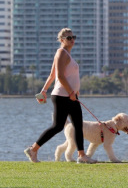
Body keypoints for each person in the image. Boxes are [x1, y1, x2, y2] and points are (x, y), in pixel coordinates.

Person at [24, 28, 96, 164]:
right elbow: (60, 76)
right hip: (64, 96)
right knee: (57, 126)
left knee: (77, 125)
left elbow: (52, 75)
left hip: (70, 95)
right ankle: (33, 149)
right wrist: (70, 92)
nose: (72, 40)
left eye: (73, 37)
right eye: (69, 38)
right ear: (62, 40)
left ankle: (82, 156)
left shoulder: (66, 54)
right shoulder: (61, 53)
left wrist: (44, 90)